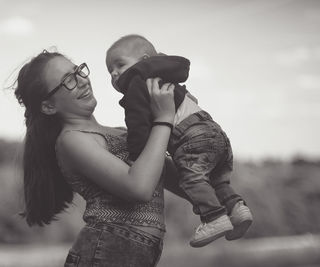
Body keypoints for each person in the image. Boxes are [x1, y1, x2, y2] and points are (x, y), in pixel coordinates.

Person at [13, 49, 182, 266]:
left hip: (134, 254)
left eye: (78, 72)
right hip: (105, 251)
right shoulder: (72, 140)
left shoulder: (123, 133)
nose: (82, 81)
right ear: (48, 106)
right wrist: (163, 119)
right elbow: (139, 188)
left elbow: (182, 180)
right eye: (68, 81)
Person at [105, 34, 253, 248]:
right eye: (110, 70)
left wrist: (137, 158)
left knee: (191, 179)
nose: (114, 73)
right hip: (214, 131)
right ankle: (237, 209)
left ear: (144, 59)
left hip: (191, 137)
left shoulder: (137, 82)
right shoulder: (168, 78)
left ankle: (213, 218)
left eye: (120, 64)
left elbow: (137, 124)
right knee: (217, 180)